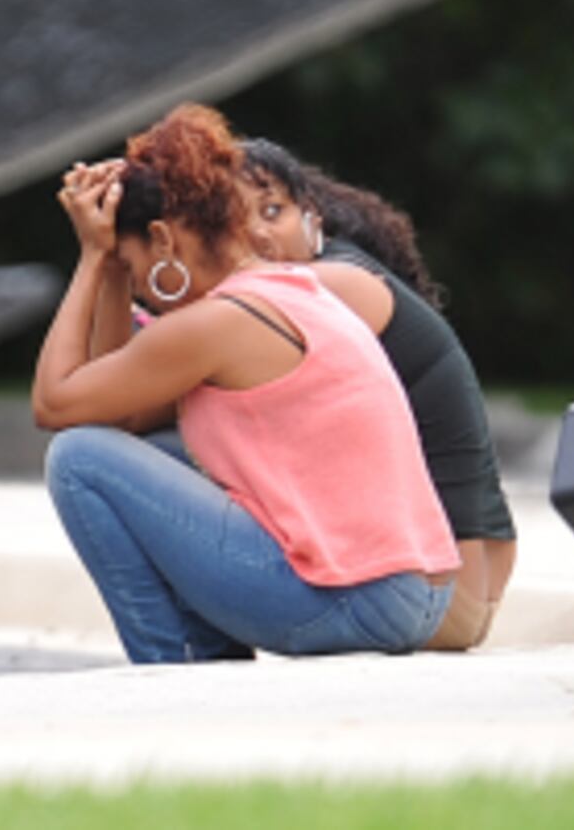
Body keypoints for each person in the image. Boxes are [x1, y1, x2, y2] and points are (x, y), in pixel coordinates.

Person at [32, 103, 459, 664]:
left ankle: (172, 672)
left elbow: (56, 402)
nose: (140, 291)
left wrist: (90, 259)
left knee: (78, 458)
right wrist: (114, 266)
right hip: (417, 593)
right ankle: (204, 657)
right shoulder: (283, 289)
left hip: (358, 600)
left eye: (135, 274)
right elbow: (120, 419)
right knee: (150, 450)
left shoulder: (218, 322)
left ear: (163, 239)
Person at [239, 138, 517, 651]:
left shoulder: (327, 287)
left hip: (442, 593)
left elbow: (95, 400)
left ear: (311, 217)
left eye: (272, 211)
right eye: (227, 222)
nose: (254, 233)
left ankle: (190, 656)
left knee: (146, 450)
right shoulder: (341, 273)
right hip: (458, 581)